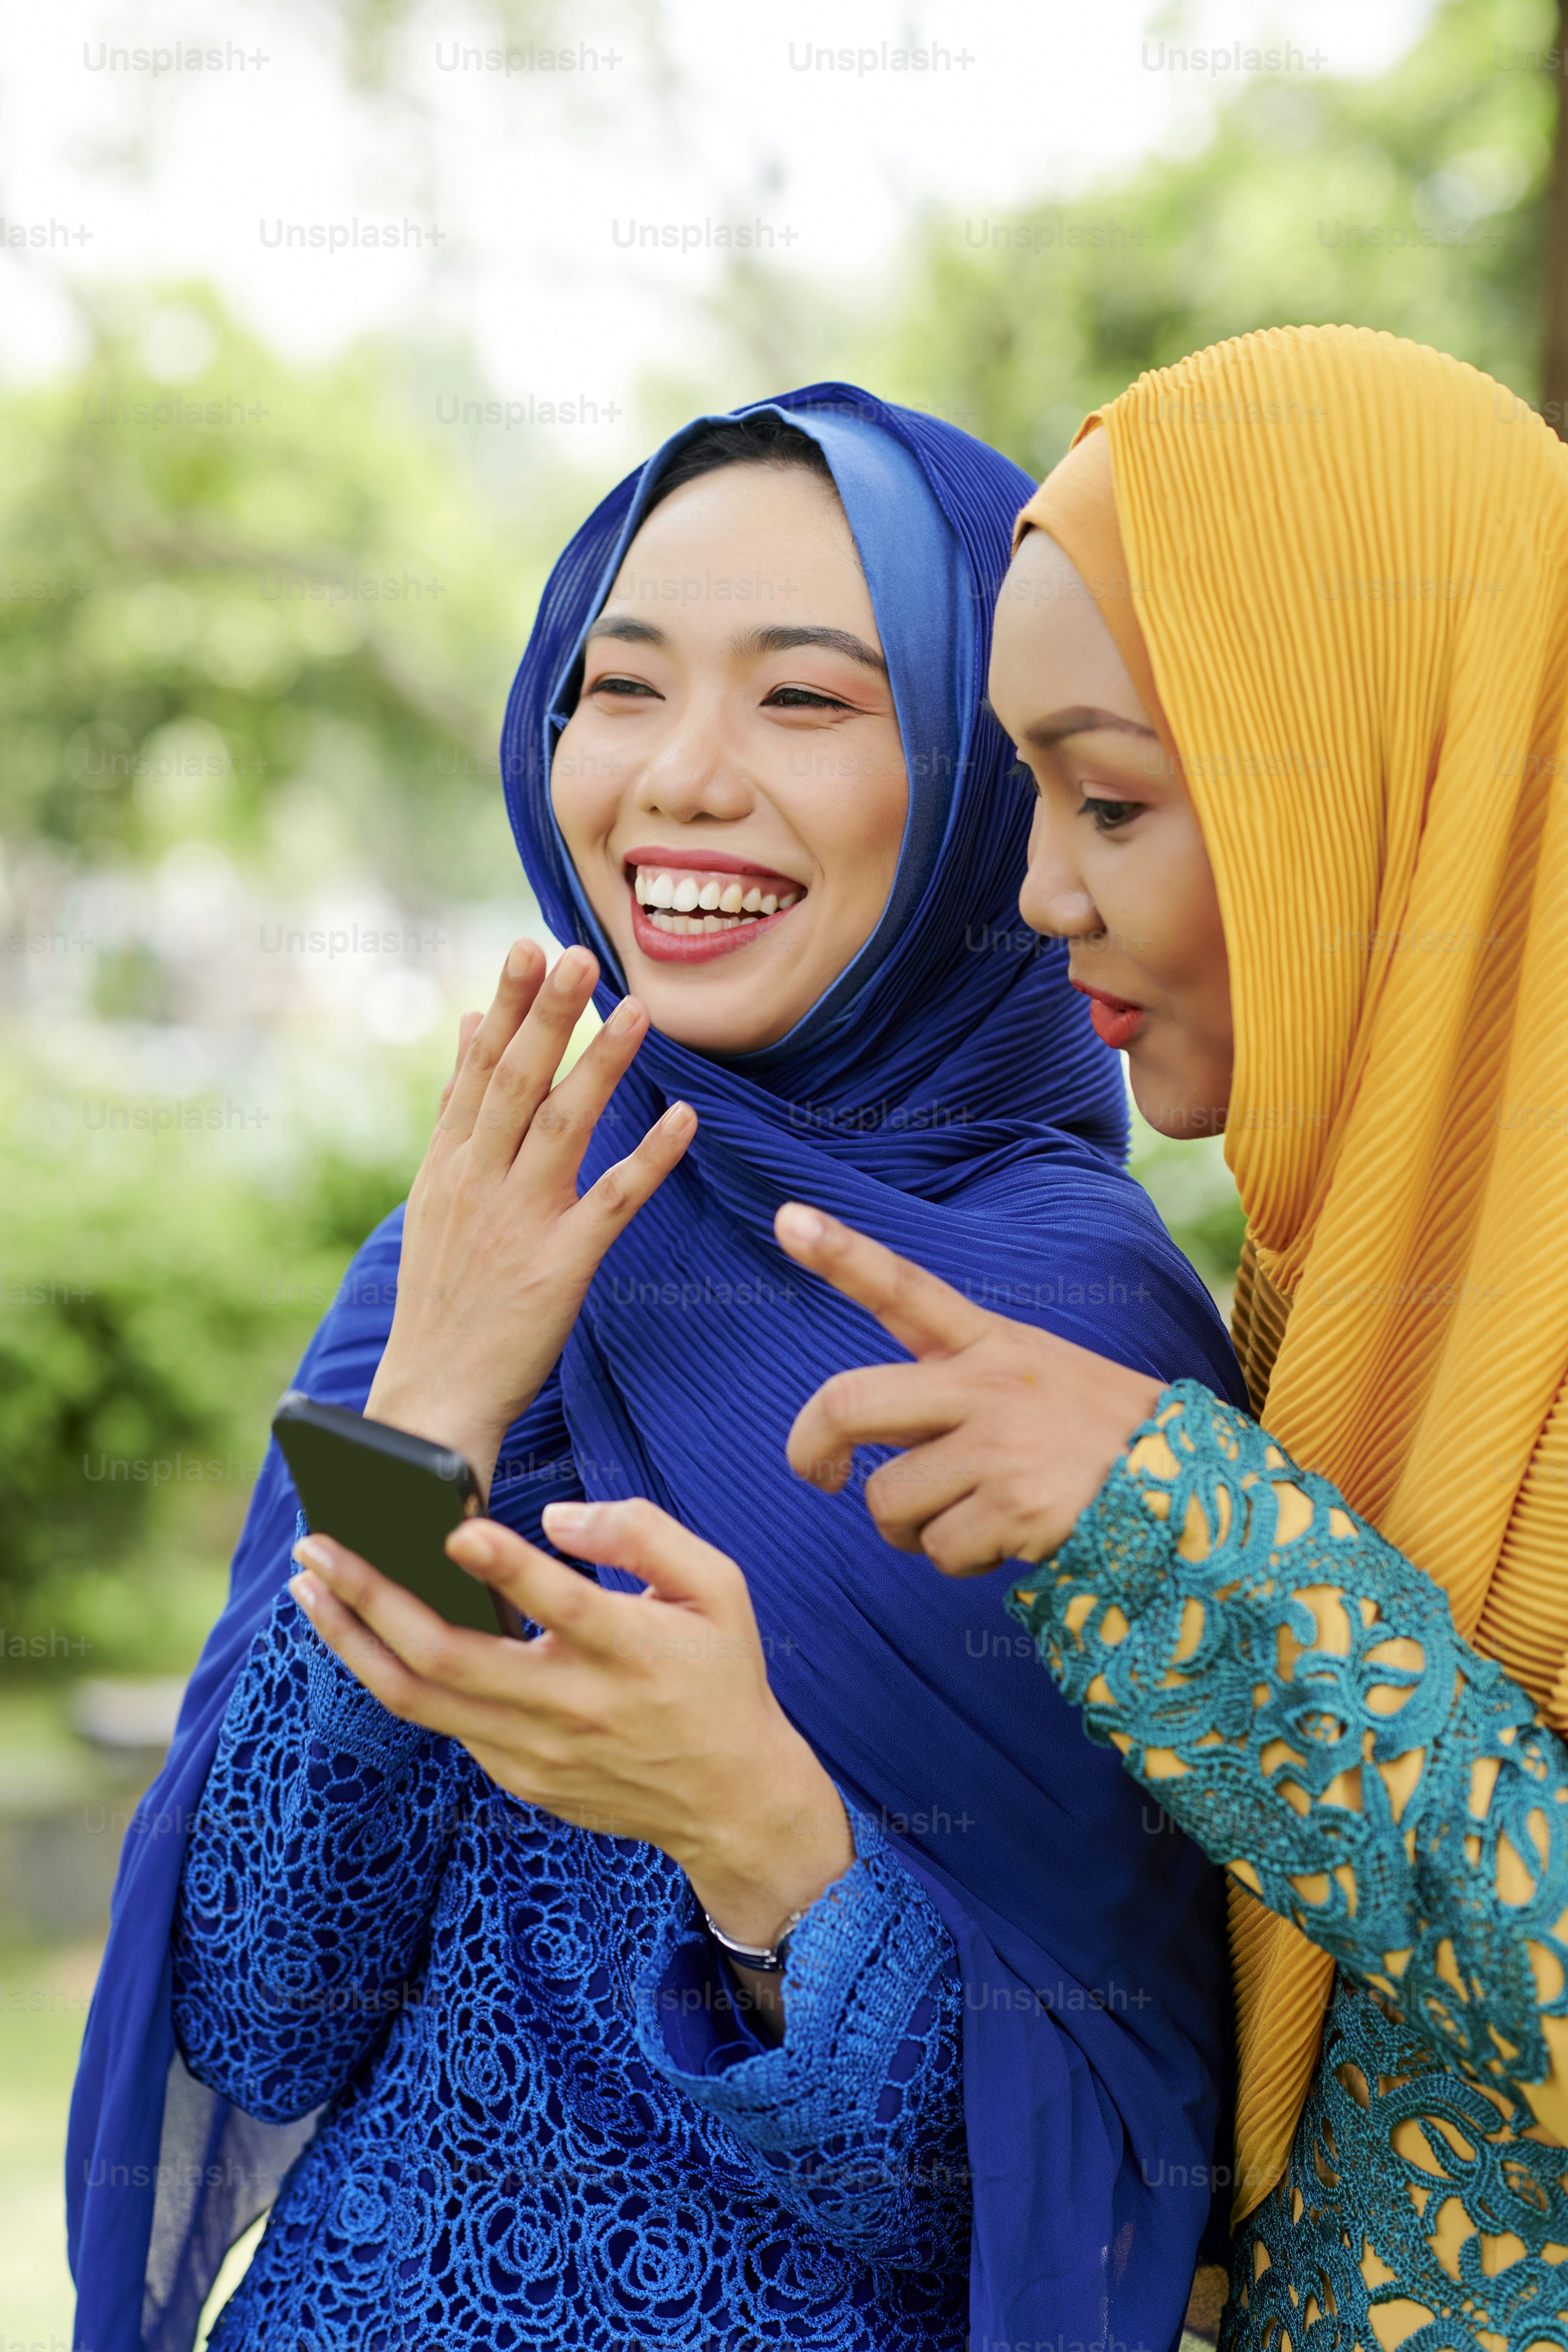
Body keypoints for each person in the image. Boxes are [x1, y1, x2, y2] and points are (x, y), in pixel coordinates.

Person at [66, 388, 1247, 2352]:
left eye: (806, 699)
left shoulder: (1074, 1345)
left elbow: (1075, 2213)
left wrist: (762, 1837)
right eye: (618, 688)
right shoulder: (475, 1248)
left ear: (987, 781)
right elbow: (259, 2009)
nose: (680, 778)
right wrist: (423, 1422)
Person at [772, 326, 1568, 2351]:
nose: (1043, 890)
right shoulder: (1330, 1285)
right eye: (1029, 797)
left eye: (1113, 798)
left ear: (1381, 790)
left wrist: (1182, 1536)